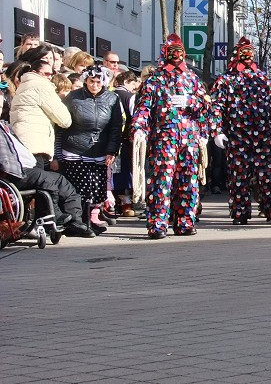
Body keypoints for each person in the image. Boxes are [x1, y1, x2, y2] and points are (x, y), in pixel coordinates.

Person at [132, 34, 210, 239]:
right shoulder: (154, 80)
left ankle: (185, 221)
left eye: (179, 52)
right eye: (172, 52)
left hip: (189, 139)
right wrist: (139, 128)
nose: (176, 56)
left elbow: (205, 107)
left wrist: (190, 103)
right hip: (164, 138)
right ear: (165, 54)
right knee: (161, 181)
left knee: (188, 181)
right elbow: (144, 108)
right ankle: (157, 223)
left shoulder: (192, 79)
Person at [210, 37, 271, 225]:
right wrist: (217, 131)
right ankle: (240, 212)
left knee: (268, 175)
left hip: (262, 136)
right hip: (238, 136)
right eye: (243, 54)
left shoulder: (262, 78)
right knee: (239, 175)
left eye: (250, 54)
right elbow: (217, 107)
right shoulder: (225, 80)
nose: (247, 58)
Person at [56, 66, 123, 234]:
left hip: (100, 149)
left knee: (96, 188)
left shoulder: (112, 99)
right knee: (80, 188)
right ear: (85, 80)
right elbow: (61, 125)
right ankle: (79, 223)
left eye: (98, 82)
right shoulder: (74, 97)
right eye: (91, 81)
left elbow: (116, 127)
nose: (94, 85)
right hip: (75, 148)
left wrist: (112, 150)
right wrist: (57, 154)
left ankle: (91, 219)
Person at [0, 120, 94, 237]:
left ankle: (75, 222)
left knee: (61, 181)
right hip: (11, 173)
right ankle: (56, 216)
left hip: (23, 167)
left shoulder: (4, 127)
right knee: (46, 180)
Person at [9, 58, 72, 170]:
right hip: (35, 146)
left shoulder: (23, 86)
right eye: (46, 74)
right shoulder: (41, 86)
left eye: (51, 75)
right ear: (34, 73)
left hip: (21, 145)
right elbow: (65, 120)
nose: (49, 78)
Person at [112, 71, 141, 217]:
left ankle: (114, 201)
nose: (135, 86)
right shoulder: (129, 96)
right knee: (126, 171)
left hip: (111, 138)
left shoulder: (109, 94)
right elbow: (135, 117)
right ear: (128, 82)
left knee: (113, 171)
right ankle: (125, 204)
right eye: (134, 83)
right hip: (126, 139)